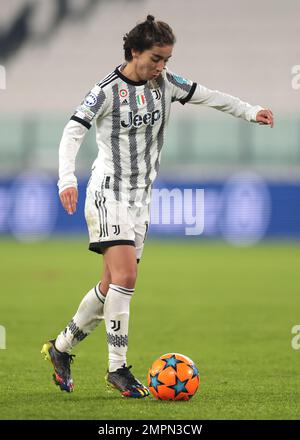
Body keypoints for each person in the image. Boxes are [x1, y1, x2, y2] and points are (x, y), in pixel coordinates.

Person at [41, 14, 274, 398]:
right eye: (156, 58)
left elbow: (209, 95)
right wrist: (67, 179)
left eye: (166, 59)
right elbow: (72, 132)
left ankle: (62, 349)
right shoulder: (105, 91)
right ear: (134, 51)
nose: (162, 67)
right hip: (108, 191)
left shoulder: (165, 83)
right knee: (127, 278)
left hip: (141, 198)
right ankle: (117, 369)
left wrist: (250, 111)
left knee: (109, 285)